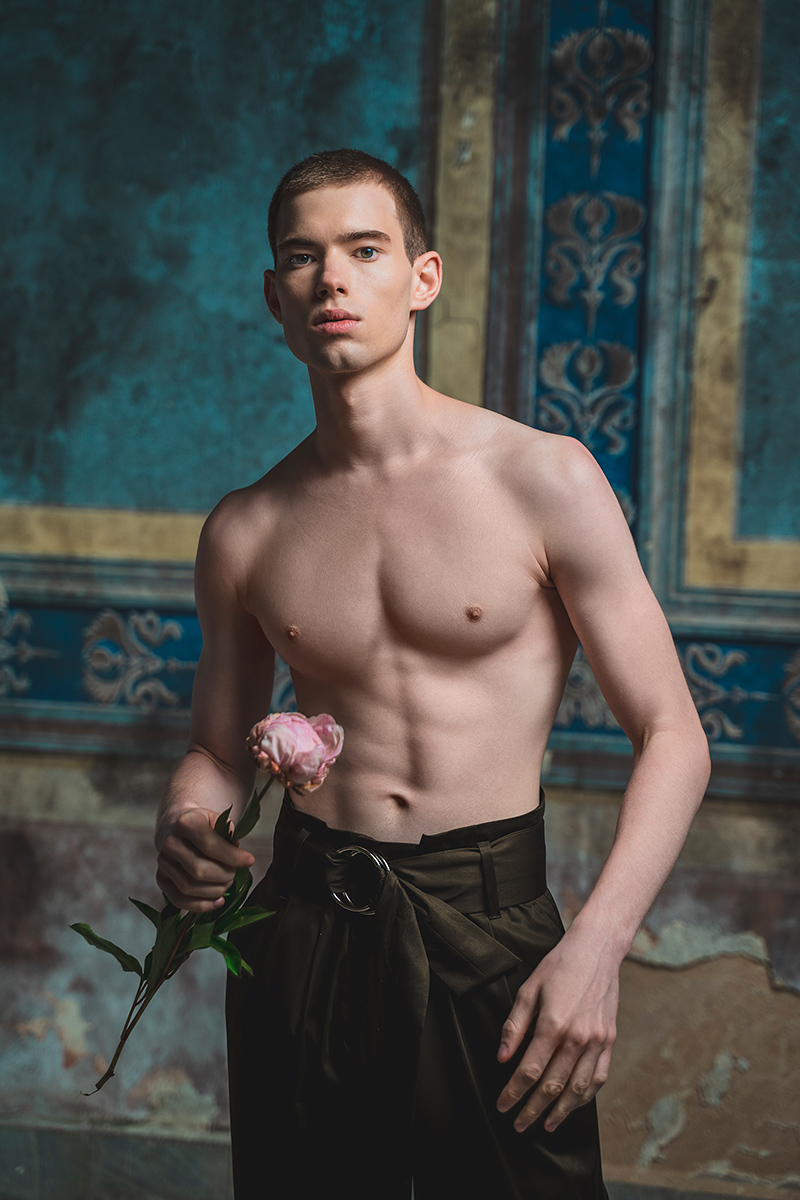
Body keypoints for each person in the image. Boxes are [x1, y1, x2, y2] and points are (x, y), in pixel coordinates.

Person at [154, 149, 710, 1199]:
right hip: (304, 923)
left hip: (488, 924)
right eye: (302, 258)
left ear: (423, 278)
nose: (332, 278)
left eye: (364, 250)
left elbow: (674, 736)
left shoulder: (543, 478)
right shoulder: (243, 529)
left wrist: (597, 947)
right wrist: (187, 820)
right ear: (274, 298)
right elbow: (215, 750)